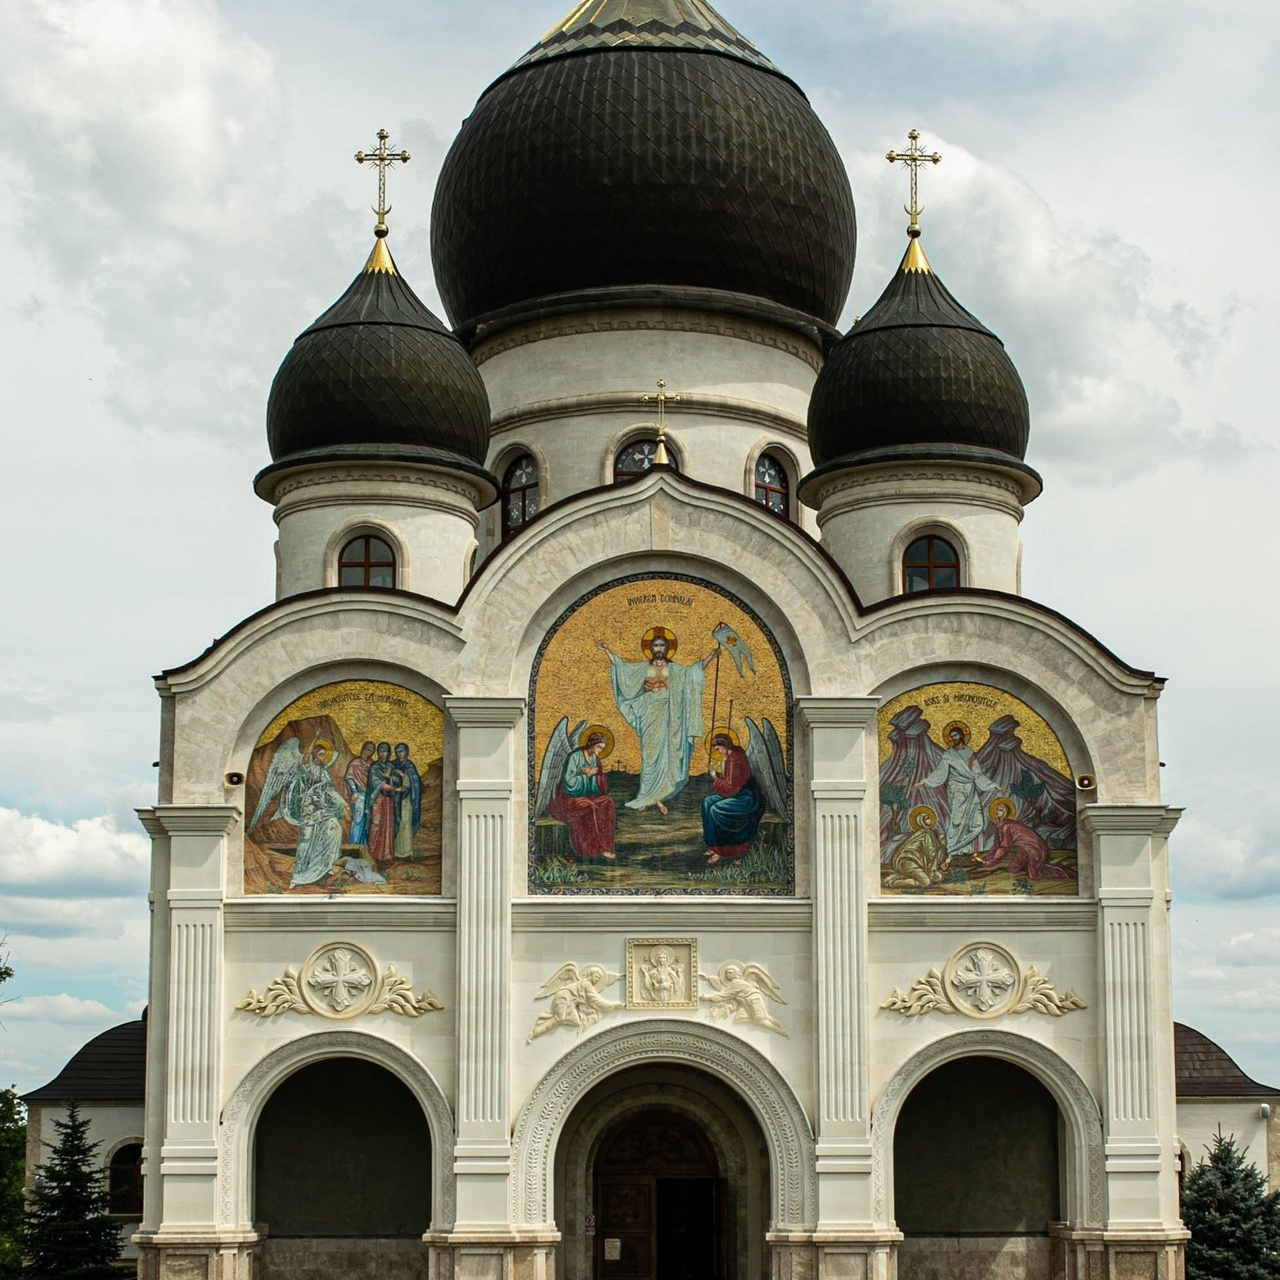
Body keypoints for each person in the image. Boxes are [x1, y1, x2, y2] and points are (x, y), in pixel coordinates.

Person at [598, 629, 716, 813]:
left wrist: (711, 656)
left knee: (669, 756)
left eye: (662, 645)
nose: (659, 648)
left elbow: (695, 672)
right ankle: (645, 796)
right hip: (649, 712)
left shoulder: (675, 669)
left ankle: (660, 798)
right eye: (655, 645)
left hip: (670, 713)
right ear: (651, 648)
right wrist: (606, 650)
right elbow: (622, 669)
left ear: (667, 648)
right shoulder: (643, 669)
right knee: (650, 755)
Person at [914, 721, 999, 859]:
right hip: (957, 790)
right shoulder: (949, 754)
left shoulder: (969, 753)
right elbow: (940, 772)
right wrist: (926, 782)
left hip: (970, 789)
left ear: (961, 735)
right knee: (957, 822)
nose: (954, 738)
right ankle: (952, 852)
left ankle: (969, 850)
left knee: (977, 822)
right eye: (952, 736)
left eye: (956, 735)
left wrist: (991, 785)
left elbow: (977, 773)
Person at [547, 730, 617, 860]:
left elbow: (600, 784)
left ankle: (607, 846)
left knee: (608, 802)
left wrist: (596, 776)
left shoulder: (596, 759)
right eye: (599, 747)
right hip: (570, 797)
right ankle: (593, 848)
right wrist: (586, 775)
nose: (600, 751)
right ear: (592, 744)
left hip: (590, 794)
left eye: (602, 748)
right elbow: (568, 782)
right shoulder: (575, 757)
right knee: (589, 807)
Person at [288, 741, 349, 888]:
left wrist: (343, 804)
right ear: (314, 754)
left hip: (323, 811)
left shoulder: (324, 773)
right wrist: (314, 739)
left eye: (325, 755)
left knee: (335, 828)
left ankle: (326, 867)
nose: (323, 758)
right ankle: (299, 874)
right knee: (306, 839)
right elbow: (304, 760)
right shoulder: (307, 768)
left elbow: (330, 791)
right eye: (321, 754)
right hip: (309, 811)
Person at [702, 730, 764, 864]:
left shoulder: (736, 758)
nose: (718, 752)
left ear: (724, 746)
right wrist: (723, 767)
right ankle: (714, 845)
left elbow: (730, 789)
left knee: (715, 809)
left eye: (718, 749)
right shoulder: (730, 756)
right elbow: (729, 783)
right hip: (738, 793)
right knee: (707, 802)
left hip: (746, 798)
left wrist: (714, 777)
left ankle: (723, 851)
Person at [979, 799, 1076, 881]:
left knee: (1034, 875)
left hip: (1036, 849)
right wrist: (988, 859)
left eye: (1000, 810)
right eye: (996, 810)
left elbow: (1004, 847)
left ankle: (1066, 873)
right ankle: (1028, 864)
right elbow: (996, 845)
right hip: (1023, 850)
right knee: (1013, 869)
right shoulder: (999, 826)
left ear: (1006, 812)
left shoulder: (1006, 826)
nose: (997, 812)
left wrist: (992, 862)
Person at [883, 806, 949, 888]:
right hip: (908, 860)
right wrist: (942, 845)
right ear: (921, 821)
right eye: (927, 818)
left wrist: (944, 862)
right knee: (926, 882)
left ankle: (903, 876)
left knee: (938, 877)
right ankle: (892, 882)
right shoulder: (925, 834)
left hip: (917, 863)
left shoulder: (928, 833)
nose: (930, 820)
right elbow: (931, 854)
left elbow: (931, 858)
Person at [363, 742, 398, 869]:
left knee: (387, 826)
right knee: (376, 825)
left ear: (389, 753)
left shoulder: (391, 766)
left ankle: (386, 855)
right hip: (378, 799)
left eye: (386, 751)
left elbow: (397, 780)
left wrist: (391, 778)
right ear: (378, 753)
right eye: (382, 751)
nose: (384, 754)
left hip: (388, 801)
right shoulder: (374, 767)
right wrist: (386, 783)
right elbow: (374, 782)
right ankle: (373, 853)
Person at [391, 742, 423, 858]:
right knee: (395, 824)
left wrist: (404, 775)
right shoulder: (393, 764)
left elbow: (415, 783)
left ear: (407, 752)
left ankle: (406, 852)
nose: (399, 754)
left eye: (402, 751)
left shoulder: (410, 766)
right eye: (397, 751)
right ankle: (394, 851)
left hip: (406, 801)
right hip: (395, 800)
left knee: (405, 824)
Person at [343, 741, 376, 845]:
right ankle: (354, 843)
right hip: (360, 794)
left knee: (368, 820)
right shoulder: (355, 763)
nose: (369, 752)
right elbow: (349, 777)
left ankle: (364, 844)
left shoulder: (372, 764)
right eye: (368, 749)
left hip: (370, 795)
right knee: (358, 818)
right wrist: (355, 791)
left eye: (372, 750)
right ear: (363, 748)